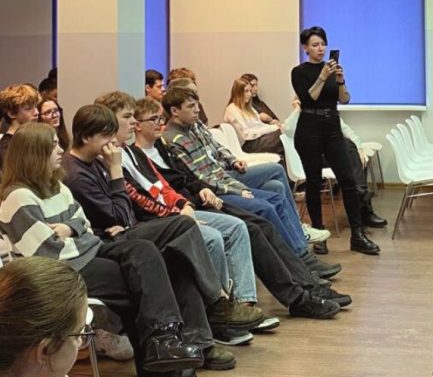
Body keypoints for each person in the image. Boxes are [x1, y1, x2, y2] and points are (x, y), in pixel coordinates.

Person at [0, 123, 205, 377]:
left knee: (143, 251)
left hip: (87, 252)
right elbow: (48, 251)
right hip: (57, 273)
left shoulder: (56, 186)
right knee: (140, 283)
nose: (60, 150)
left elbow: (83, 223)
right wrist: (78, 232)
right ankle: (160, 366)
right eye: (53, 145)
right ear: (35, 152)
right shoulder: (17, 197)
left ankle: (163, 345)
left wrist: (70, 229)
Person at [61, 105, 241, 371]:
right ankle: (216, 302)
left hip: (123, 232)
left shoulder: (97, 161)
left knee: (178, 257)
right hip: (107, 242)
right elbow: (120, 215)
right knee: (181, 227)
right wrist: (115, 171)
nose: (112, 142)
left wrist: (120, 210)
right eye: (106, 136)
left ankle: (202, 343)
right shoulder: (77, 175)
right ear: (86, 137)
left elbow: (123, 213)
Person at [131, 99, 345, 319]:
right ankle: (293, 296)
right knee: (252, 223)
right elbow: (156, 194)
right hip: (188, 209)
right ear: (137, 125)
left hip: (202, 198)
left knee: (261, 225)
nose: (160, 123)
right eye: (153, 119)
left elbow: (186, 178)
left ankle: (306, 284)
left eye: (160, 118)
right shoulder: (141, 154)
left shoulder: (161, 148)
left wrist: (202, 189)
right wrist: (189, 202)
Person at [94, 91, 268, 339]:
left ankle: (242, 303)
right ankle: (218, 315)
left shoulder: (132, 153)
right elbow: (137, 201)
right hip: (156, 221)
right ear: (110, 121)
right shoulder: (112, 160)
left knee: (238, 226)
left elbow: (163, 184)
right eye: (127, 117)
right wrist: (177, 212)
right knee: (212, 237)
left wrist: (183, 204)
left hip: (177, 210)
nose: (133, 122)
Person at [162, 85, 324, 257]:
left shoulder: (194, 126)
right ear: (174, 111)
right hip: (217, 187)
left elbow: (217, 147)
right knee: (274, 179)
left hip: (224, 175)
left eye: (197, 104)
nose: (197, 110)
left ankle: (299, 246)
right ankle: (299, 250)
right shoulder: (173, 139)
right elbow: (199, 178)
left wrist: (233, 161)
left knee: (276, 186)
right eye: (191, 106)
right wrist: (239, 189)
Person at [291, 27, 379, 255]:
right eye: (315, 45)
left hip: (332, 128)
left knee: (348, 180)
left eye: (323, 44)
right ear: (305, 48)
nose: (320, 49)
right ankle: (319, 234)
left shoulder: (331, 70)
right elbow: (308, 99)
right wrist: (322, 77)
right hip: (309, 129)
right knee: (314, 181)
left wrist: (340, 81)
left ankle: (358, 235)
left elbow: (345, 99)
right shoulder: (299, 72)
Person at [283, 101, 387, 229]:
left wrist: (360, 148)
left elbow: (347, 131)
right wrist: (298, 109)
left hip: (331, 155)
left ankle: (361, 197)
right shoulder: (301, 116)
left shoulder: (327, 112)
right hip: (312, 158)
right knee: (349, 151)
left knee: (354, 153)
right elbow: (287, 130)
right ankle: (363, 203)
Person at [224, 77, 284, 155]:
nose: (249, 94)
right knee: (282, 136)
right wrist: (273, 128)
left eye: (250, 91)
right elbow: (246, 135)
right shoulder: (232, 110)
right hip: (248, 145)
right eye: (246, 91)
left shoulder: (249, 108)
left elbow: (260, 125)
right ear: (238, 93)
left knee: (286, 132)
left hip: (259, 139)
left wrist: (278, 126)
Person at [0, 85, 40, 169]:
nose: (36, 112)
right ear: (11, 113)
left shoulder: (32, 139)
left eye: (36, 106)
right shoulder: (6, 147)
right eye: (28, 108)